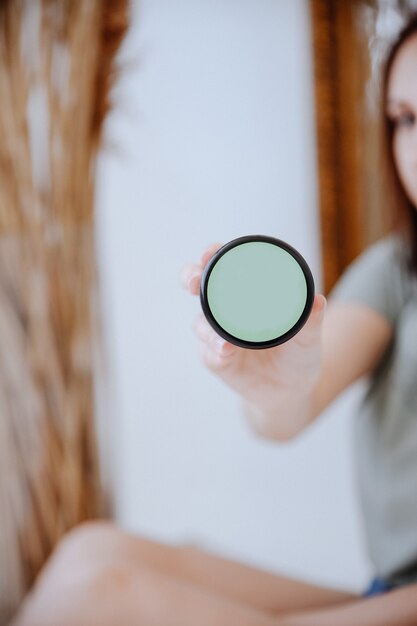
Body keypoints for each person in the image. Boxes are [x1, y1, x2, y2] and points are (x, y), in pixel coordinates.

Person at [11, 10, 417, 626]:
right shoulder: (395, 268)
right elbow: (290, 411)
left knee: (95, 601)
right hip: (392, 588)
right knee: (86, 553)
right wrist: (277, 389)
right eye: (405, 119)